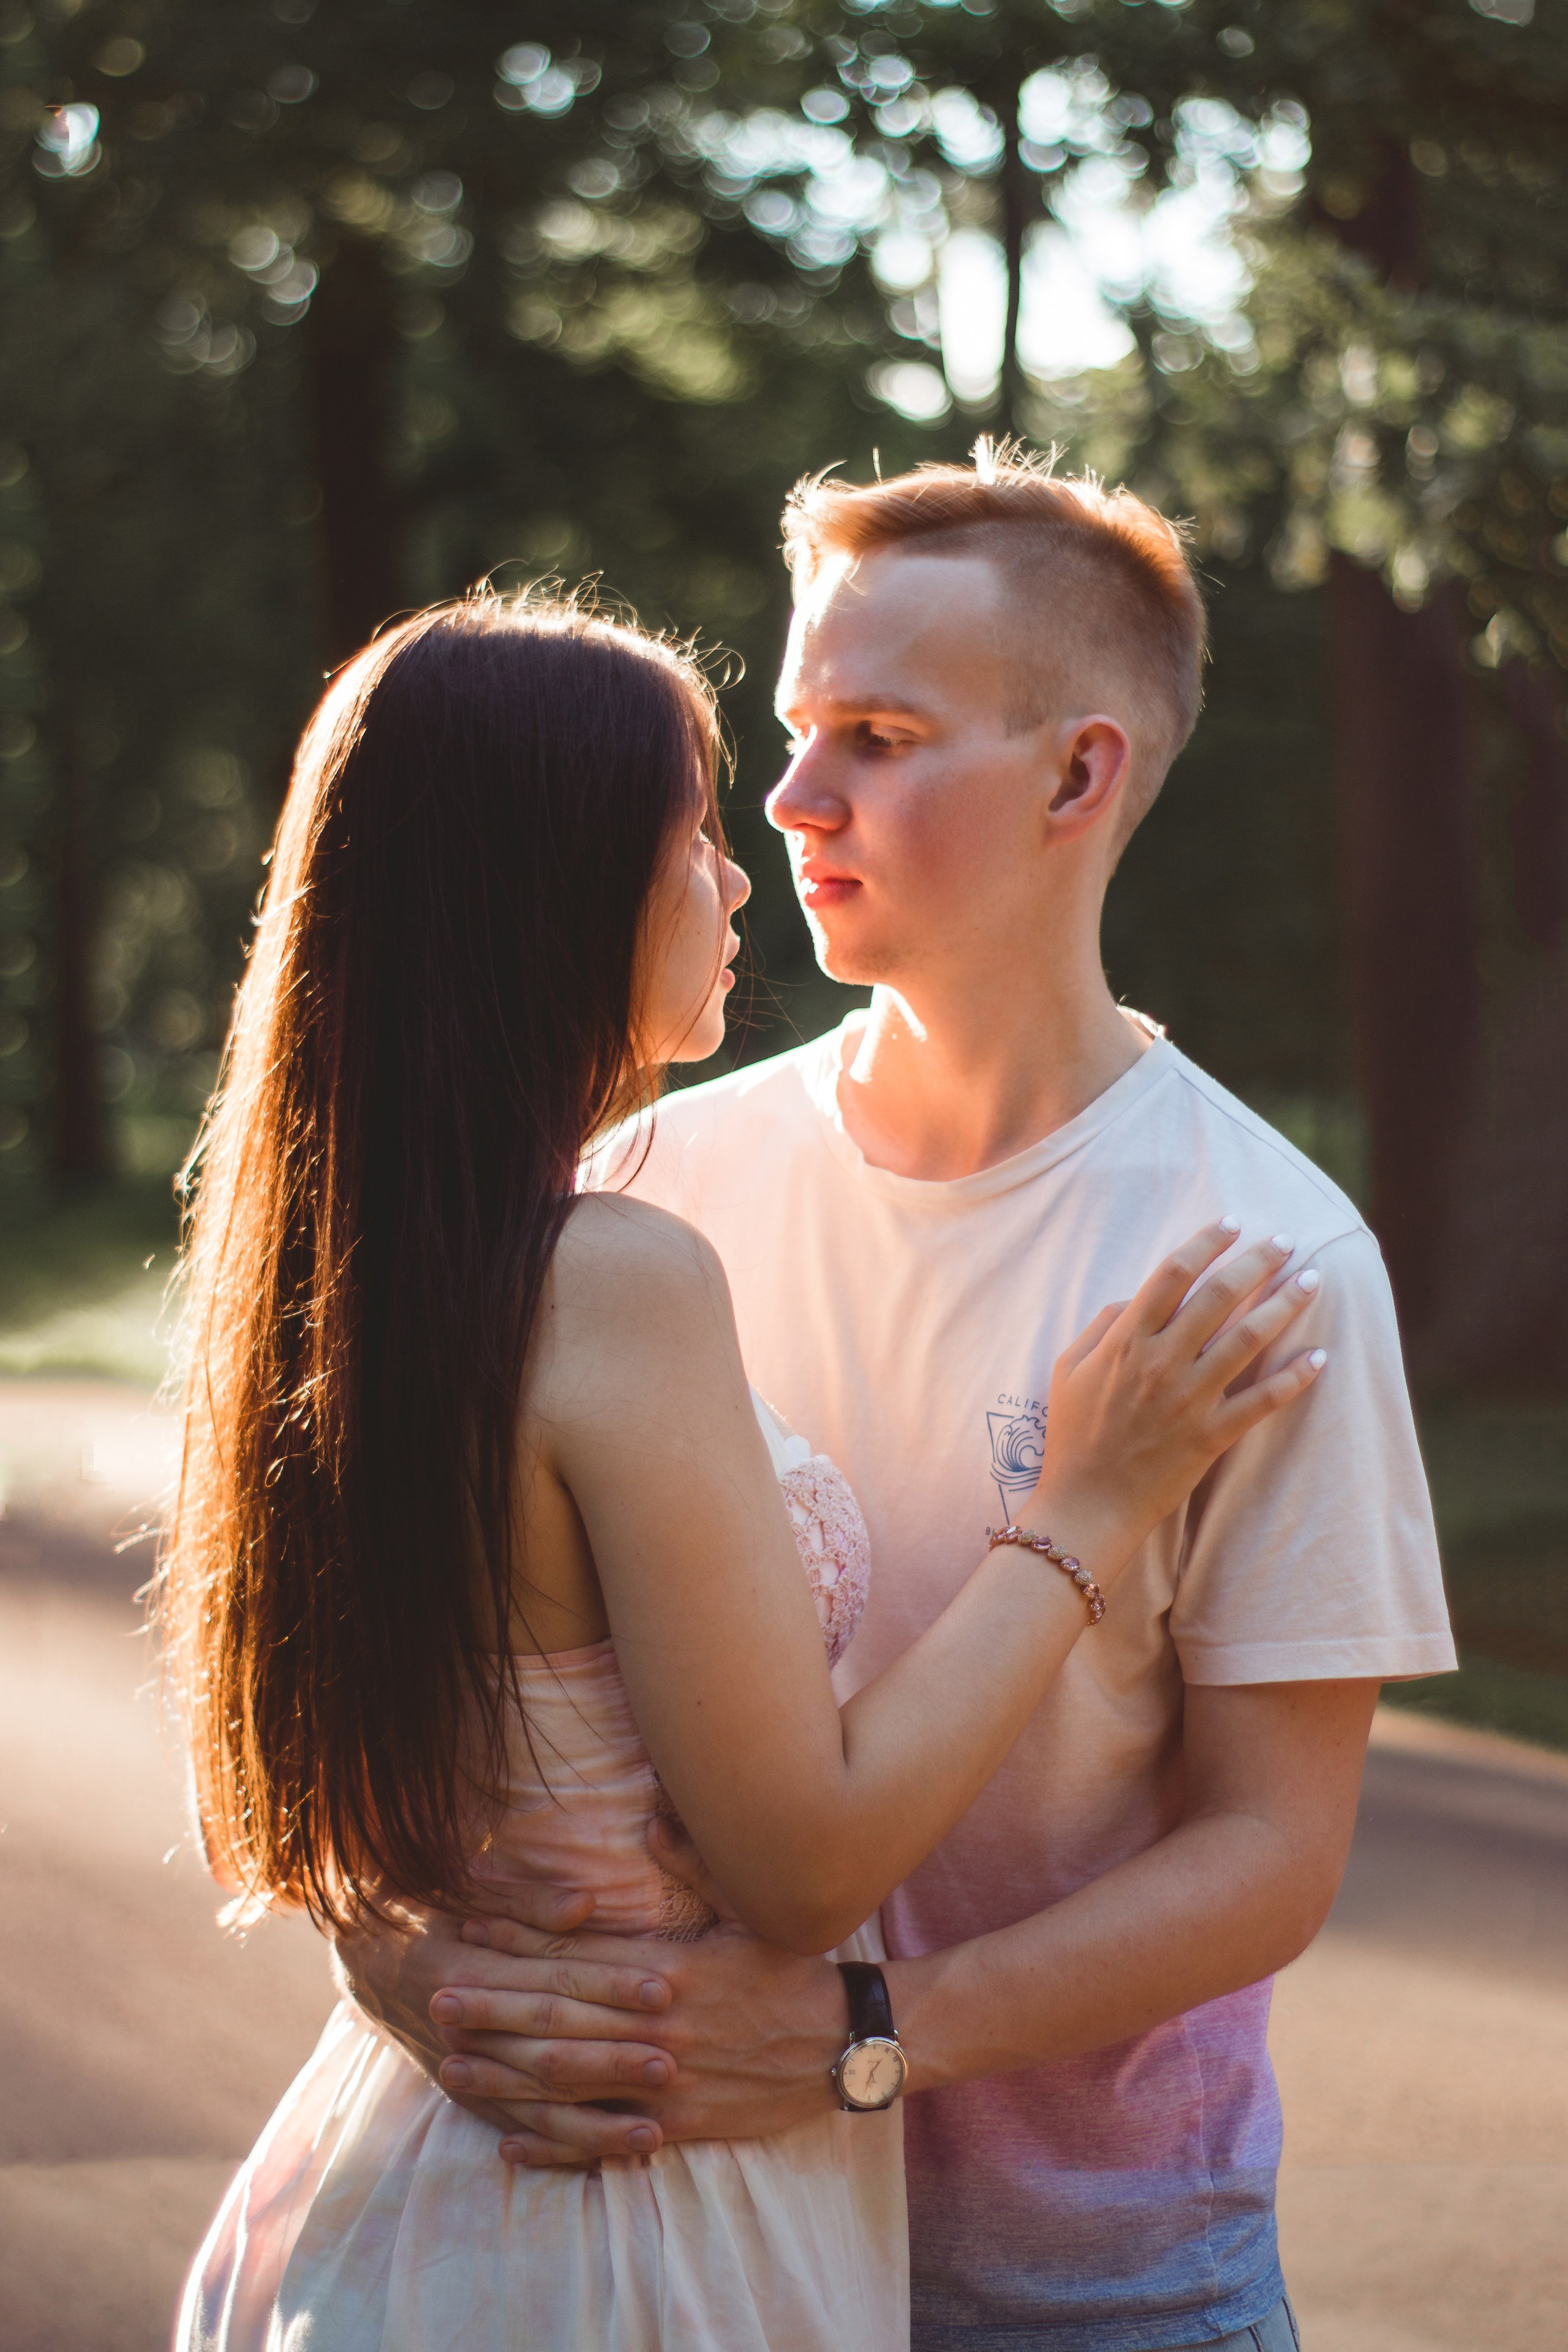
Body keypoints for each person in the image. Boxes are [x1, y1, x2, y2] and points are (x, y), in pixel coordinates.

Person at [337, 451, 1456, 2352]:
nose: (788, 801)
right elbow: (422, 1706)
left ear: (1079, 777)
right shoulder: (642, 1194)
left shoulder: (1264, 1257)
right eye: (790, 733)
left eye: (874, 735)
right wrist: (410, 1967)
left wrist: (863, 2043)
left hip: (1090, 2290)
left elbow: (1273, 1853)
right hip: (681, 2250)